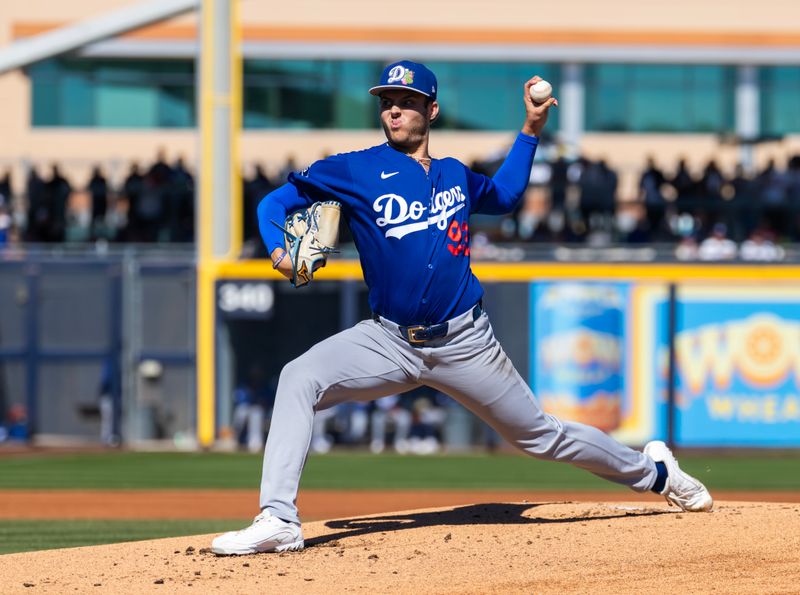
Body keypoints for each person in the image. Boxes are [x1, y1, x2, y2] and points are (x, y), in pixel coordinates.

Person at [211, 60, 712, 556]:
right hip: (387, 340)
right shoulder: (353, 169)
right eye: (388, 104)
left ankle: (657, 474)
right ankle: (278, 518)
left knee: (539, 436)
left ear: (431, 110)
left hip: (466, 342)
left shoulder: (455, 176)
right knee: (299, 377)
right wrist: (279, 250)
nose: (394, 113)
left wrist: (531, 129)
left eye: (407, 104)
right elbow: (272, 203)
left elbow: (509, 195)